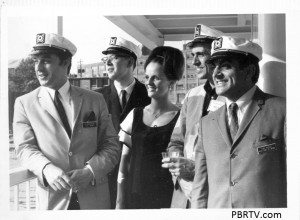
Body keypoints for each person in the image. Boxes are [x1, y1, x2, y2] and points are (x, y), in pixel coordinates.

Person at [13, 33, 120, 210]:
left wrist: (90, 172)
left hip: (94, 199)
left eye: (46, 60)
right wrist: (46, 168)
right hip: (53, 200)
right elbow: (24, 148)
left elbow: (111, 144)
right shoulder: (24, 103)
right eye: (35, 61)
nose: (38, 68)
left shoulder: (95, 99)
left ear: (65, 63)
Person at [191, 36, 286, 208]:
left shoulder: (283, 111)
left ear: (249, 71)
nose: (216, 74)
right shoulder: (206, 123)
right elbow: (200, 187)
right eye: (213, 66)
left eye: (226, 66)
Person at [162, 24, 225, 208]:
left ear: (217, 56)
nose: (194, 62)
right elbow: (176, 141)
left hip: (215, 195)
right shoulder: (192, 95)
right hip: (184, 195)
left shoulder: (233, 98)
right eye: (192, 55)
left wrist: (195, 170)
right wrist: (177, 166)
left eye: (201, 55)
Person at [116, 46, 185, 209]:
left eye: (156, 78)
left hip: (167, 200)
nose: (149, 82)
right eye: (147, 77)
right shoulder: (135, 115)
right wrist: (119, 202)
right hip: (135, 200)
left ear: (172, 83)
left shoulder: (181, 118)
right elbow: (124, 164)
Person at [95, 36, 151, 208]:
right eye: (106, 58)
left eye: (114, 57)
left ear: (129, 62)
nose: (108, 63)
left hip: (138, 181)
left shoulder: (149, 95)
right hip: (105, 180)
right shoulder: (97, 97)